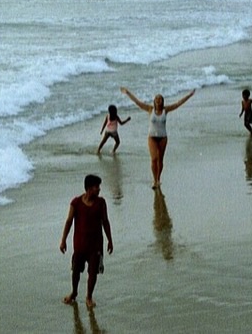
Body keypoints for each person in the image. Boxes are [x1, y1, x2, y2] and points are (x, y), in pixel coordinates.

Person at [120, 87, 195, 187]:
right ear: (154, 101)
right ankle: (154, 180)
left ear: (162, 101)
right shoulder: (150, 109)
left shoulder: (165, 110)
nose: (158, 100)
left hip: (163, 137)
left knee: (160, 160)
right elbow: (138, 102)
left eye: (160, 99)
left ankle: (158, 178)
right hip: (152, 137)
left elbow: (178, 104)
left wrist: (189, 95)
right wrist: (128, 93)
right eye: (156, 99)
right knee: (154, 159)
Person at [59, 174, 113, 309]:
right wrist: (63, 240)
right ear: (89, 188)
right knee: (75, 271)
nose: (99, 189)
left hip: (96, 245)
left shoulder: (101, 203)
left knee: (93, 272)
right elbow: (69, 222)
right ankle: (74, 292)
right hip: (80, 244)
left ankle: (89, 296)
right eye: (96, 187)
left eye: (99, 186)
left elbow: (105, 222)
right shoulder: (76, 203)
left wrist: (110, 240)